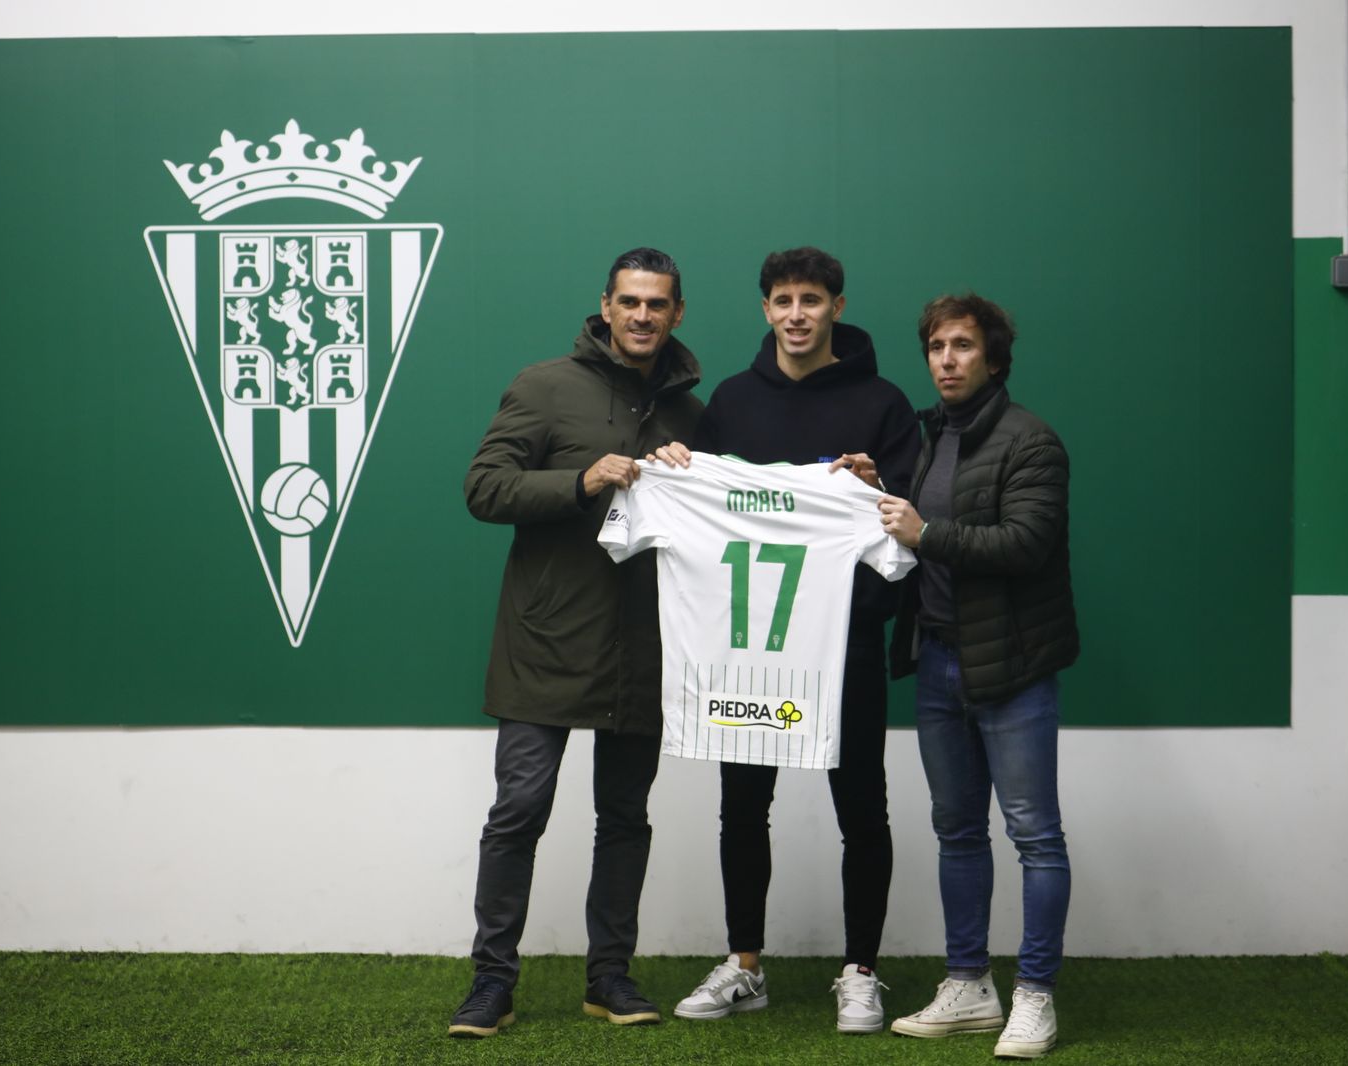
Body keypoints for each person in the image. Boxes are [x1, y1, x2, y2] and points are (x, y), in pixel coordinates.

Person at [659, 247, 919, 1034]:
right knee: (743, 805)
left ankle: (860, 971)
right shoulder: (733, 400)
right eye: (782, 299)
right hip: (749, 649)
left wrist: (874, 489)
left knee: (861, 807)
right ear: (765, 309)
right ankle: (746, 967)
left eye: (812, 299)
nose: (797, 313)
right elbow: (702, 509)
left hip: (842, 646)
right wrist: (675, 469)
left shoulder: (883, 403)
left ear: (838, 306)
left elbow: (908, 531)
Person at [447, 248, 703, 1038]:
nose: (641, 316)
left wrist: (693, 476)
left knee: (625, 816)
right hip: (545, 643)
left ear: (676, 313)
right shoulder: (544, 385)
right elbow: (483, 488)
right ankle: (492, 982)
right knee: (519, 811)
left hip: (643, 648)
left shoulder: (693, 414)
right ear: (605, 305)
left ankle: (610, 978)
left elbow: (729, 514)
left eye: (657, 304)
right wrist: (581, 480)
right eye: (629, 301)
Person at [877, 294, 1077, 1059]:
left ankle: (1035, 996)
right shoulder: (938, 436)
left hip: (1015, 668)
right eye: (936, 347)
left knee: (1034, 835)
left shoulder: (1032, 441)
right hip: (938, 661)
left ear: (993, 358)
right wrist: (875, 490)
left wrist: (927, 533)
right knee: (957, 831)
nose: (947, 360)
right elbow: (917, 525)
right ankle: (968, 986)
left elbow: (1024, 544)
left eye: (962, 346)